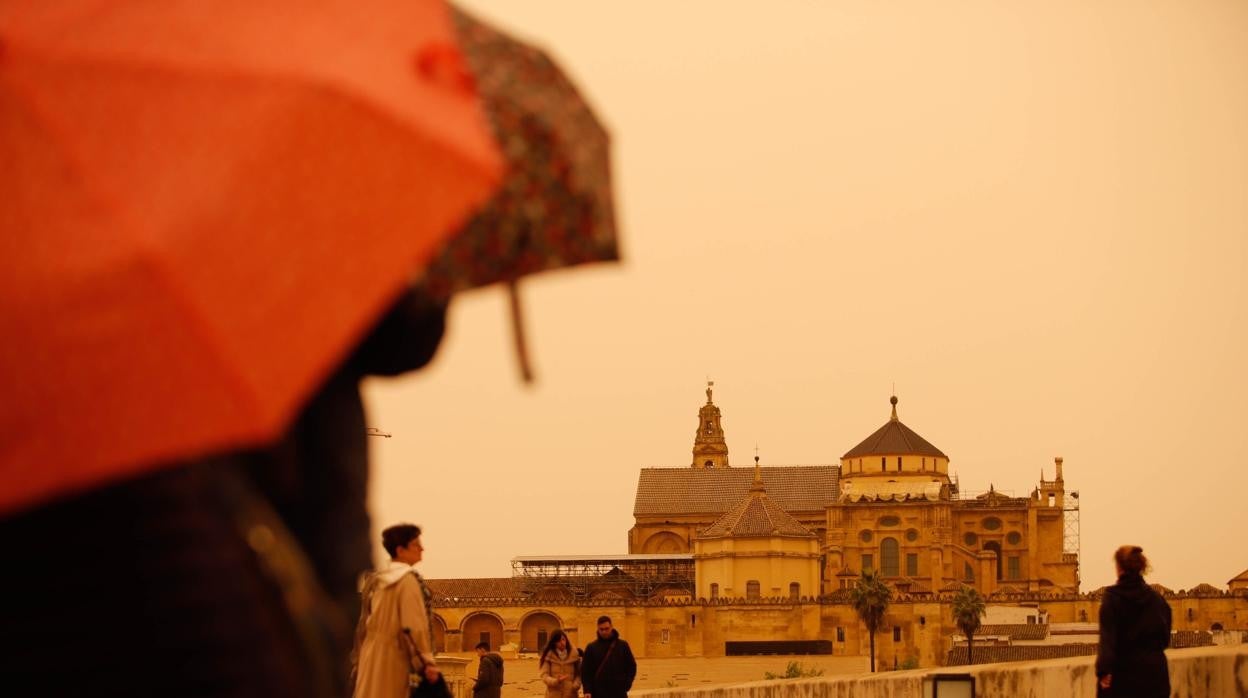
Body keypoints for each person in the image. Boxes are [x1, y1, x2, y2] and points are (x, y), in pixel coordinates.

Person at [354, 524, 440, 698]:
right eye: (416, 544)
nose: (422, 548)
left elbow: (363, 621)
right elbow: (413, 626)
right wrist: (426, 661)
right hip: (394, 657)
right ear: (401, 550)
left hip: (371, 655)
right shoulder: (407, 581)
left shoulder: (377, 581)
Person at [1095, 545, 1172, 697]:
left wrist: (1104, 672)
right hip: (1156, 677)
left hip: (1123, 677)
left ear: (1119, 567)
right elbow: (1164, 638)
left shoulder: (1112, 598)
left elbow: (1108, 641)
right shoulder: (1157, 600)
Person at [580, 616, 636, 698]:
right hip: (598, 692)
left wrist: (627, 683)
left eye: (606, 629)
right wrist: (587, 690)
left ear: (611, 627)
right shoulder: (591, 647)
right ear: (598, 629)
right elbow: (586, 671)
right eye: (601, 629)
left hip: (619, 692)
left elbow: (631, 666)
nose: (604, 632)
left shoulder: (622, 645)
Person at [539, 630, 581, 698]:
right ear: (554, 643)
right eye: (558, 641)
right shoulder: (549, 656)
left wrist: (575, 685)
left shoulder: (574, 655)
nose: (562, 643)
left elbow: (579, 673)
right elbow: (544, 675)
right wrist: (556, 681)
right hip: (553, 695)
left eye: (563, 639)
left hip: (571, 694)